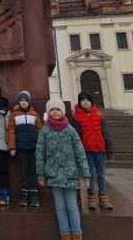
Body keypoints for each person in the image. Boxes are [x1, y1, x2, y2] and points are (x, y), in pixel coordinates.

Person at [36, 99, 91, 240]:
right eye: (52, 109)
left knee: (72, 206)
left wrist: (85, 174)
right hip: (53, 175)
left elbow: (80, 152)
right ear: (48, 112)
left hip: (70, 175)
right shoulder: (45, 130)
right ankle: (65, 233)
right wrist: (41, 174)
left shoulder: (70, 130)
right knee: (60, 207)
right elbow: (40, 153)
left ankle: (77, 233)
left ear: (63, 112)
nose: (55, 112)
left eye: (58, 109)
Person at [72, 92, 114, 210]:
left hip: (99, 149)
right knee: (89, 173)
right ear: (79, 102)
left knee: (101, 173)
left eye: (88, 100)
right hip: (87, 151)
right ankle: (91, 196)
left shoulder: (99, 116)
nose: (85, 102)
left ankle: (103, 196)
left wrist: (109, 148)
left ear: (92, 102)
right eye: (83, 100)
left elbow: (106, 133)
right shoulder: (76, 117)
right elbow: (77, 136)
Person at [7, 90, 42, 206]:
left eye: (25, 100)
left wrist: (41, 146)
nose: (23, 102)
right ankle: (24, 194)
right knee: (23, 172)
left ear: (29, 102)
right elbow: (11, 131)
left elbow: (39, 130)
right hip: (21, 148)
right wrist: (12, 147)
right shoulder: (14, 114)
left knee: (33, 171)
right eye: (21, 100)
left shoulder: (34, 114)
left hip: (33, 148)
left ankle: (34, 195)